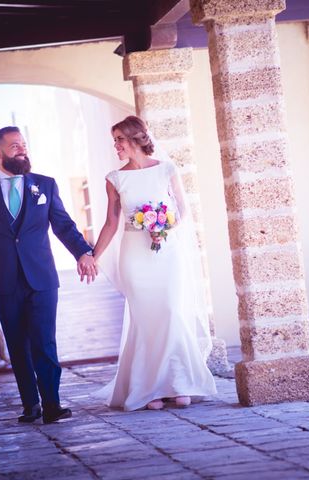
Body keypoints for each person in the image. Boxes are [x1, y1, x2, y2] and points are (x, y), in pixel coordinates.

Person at [0, 126, 97, 424]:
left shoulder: (45, 185)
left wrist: (83, 252)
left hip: (42, 277)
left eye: (24, 144)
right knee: (17, 343)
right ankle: (30, 404)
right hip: (4, 278)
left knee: (44, 341)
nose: (22, 150)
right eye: (14, 146)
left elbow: (64, 225)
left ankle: (51, 404)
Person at [92, 116, 216, 410]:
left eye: (120, 139)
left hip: (167, 251)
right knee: (145, 317)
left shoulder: (167, 170)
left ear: (136, 139)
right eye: (115, 141)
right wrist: (93, 257)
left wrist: (162, 225)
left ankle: (179, 382)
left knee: (172, 311)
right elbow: (111, 223)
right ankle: (150, 387)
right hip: (134, 254)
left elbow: (183, 211)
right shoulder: (115, 179)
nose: (116, 146)